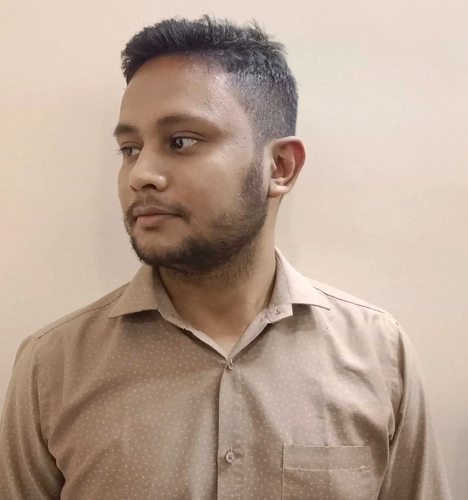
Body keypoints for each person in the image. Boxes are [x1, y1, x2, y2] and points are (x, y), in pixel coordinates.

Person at [0, 15, 452, 500]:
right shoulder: (52, 367)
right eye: (129, 149)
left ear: (280, 167)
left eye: (181, 142)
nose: (140, 174)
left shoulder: (378, 353)